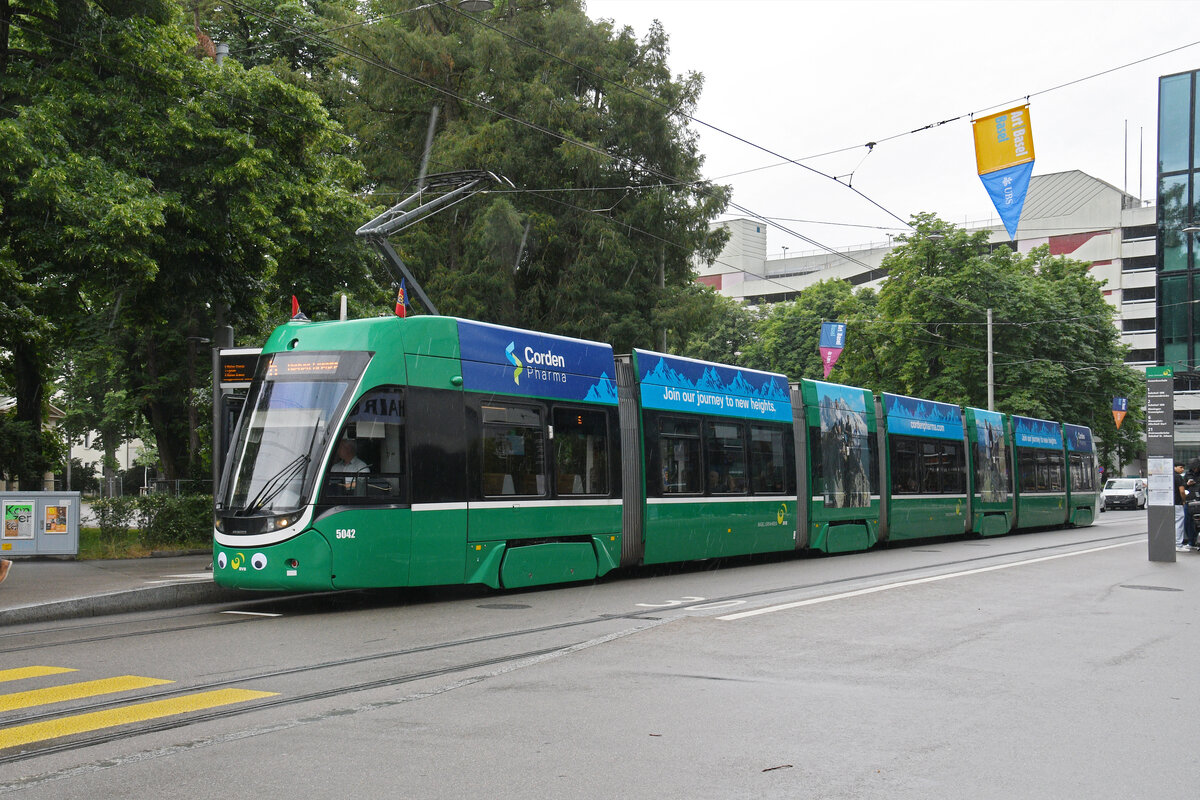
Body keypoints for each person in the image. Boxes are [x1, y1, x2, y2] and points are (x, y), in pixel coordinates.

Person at [1175, 463, 1189, 552]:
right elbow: (1182, 491)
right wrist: (1183, 500)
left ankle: (1172, 543)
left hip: (1168, 503)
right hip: (1177, 502)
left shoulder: (1170, 476)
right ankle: (1178, 544)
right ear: (1175, 467)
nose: (1182, 469)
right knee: (1179, 523)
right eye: (1181, 467)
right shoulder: (1178, 477)